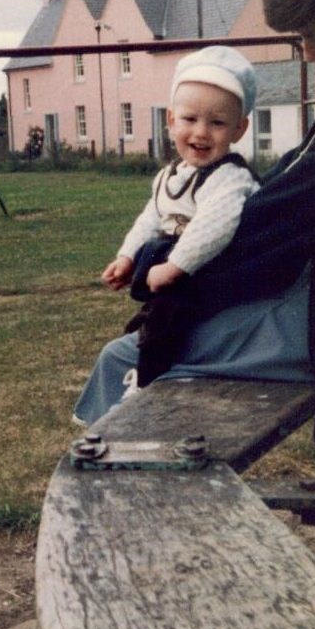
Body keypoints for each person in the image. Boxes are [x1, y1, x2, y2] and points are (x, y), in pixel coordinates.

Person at [74, 0, 315, 461]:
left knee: (127, 357)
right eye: (302, 39)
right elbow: (291, 182)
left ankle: (123, 486)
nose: (311, 52)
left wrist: (172, 273)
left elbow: (274, 216)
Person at [101, 45, 260, 388]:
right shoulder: (171, 175)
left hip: (216, 269)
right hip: (182, 267)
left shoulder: (229, 177)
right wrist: (126, 256)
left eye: (217, 123)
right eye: (190, 119)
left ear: (239, 129)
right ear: (171, 120)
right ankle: (152, 334)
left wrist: (175, 268)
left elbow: (214, 228)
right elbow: (150, 217)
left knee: (166, 319)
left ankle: (147, 382)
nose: (201, 132)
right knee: (160, 305)